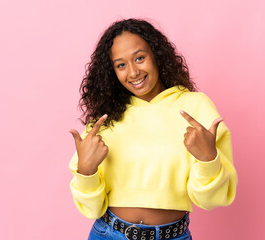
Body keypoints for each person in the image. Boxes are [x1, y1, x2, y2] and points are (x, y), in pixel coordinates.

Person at [69, 18, 238, 240]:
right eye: (121, 65)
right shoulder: (105, 118)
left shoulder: (196, 106)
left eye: (139, 58)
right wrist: (86, 172)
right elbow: (91, 209)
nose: (133, 72)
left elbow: (211, 200)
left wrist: (208, 160)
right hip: (109, 234)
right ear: (112, 71)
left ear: (157, 56)